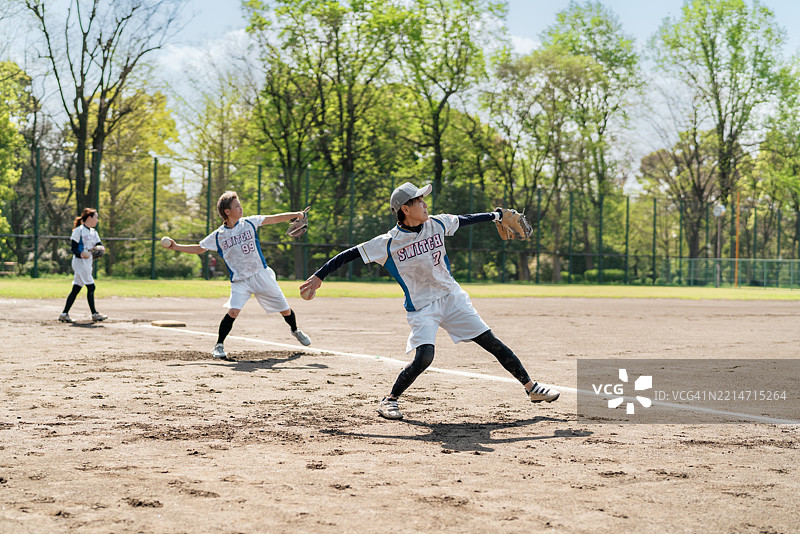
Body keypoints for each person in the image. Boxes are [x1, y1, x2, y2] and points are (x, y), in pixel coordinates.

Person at [300, 182, 559, 420]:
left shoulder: (437, 223)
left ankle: (531, 388)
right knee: (424, 357)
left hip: (451, 297)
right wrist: (319, 277)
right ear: (405, 208)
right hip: (423, 306)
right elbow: (350, 254)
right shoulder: (388, 243)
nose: (425, 205)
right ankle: (389, 399)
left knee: (492, 342)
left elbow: (467, 219)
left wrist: (498, 215)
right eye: (419, 201)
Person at [164, 191, 311, 360]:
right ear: (227, 211)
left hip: (261, 274)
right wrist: (176, 246)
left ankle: (295, 330)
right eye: (236, 206)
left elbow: (274, 218)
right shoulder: (219, 235)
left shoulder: (249, 222)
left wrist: (297, 214)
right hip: (240, 280)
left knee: (285, 310)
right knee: (233, 311)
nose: (240, 208)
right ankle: (219, 345)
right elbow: (199, 248)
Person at [58, 208, 108, 323]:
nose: (97, 220)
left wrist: (100, 249)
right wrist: (81, 254)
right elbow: (74, 248)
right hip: (79, 262)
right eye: (96, 217)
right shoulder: (78, 231)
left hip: (88, 263)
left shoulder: (93, 232)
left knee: (76, 288)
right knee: (91, 286)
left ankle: (64, 314)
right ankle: (94, 314)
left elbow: (99, 244)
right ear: (89, 218)